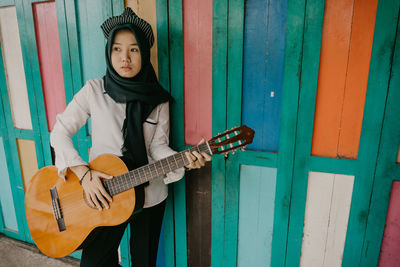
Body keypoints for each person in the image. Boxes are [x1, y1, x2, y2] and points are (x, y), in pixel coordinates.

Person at [50, 7, 211, 267]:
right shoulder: (94, 90)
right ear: (109, 51)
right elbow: (59, 132)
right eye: (117, 49)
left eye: (134, 49)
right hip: (103, 195)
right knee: (95, 263)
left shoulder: (158, 100)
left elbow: (157, 147)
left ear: (144, 54)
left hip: (149, 196)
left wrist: (183, 160)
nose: (125, 57)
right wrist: (84, 175)